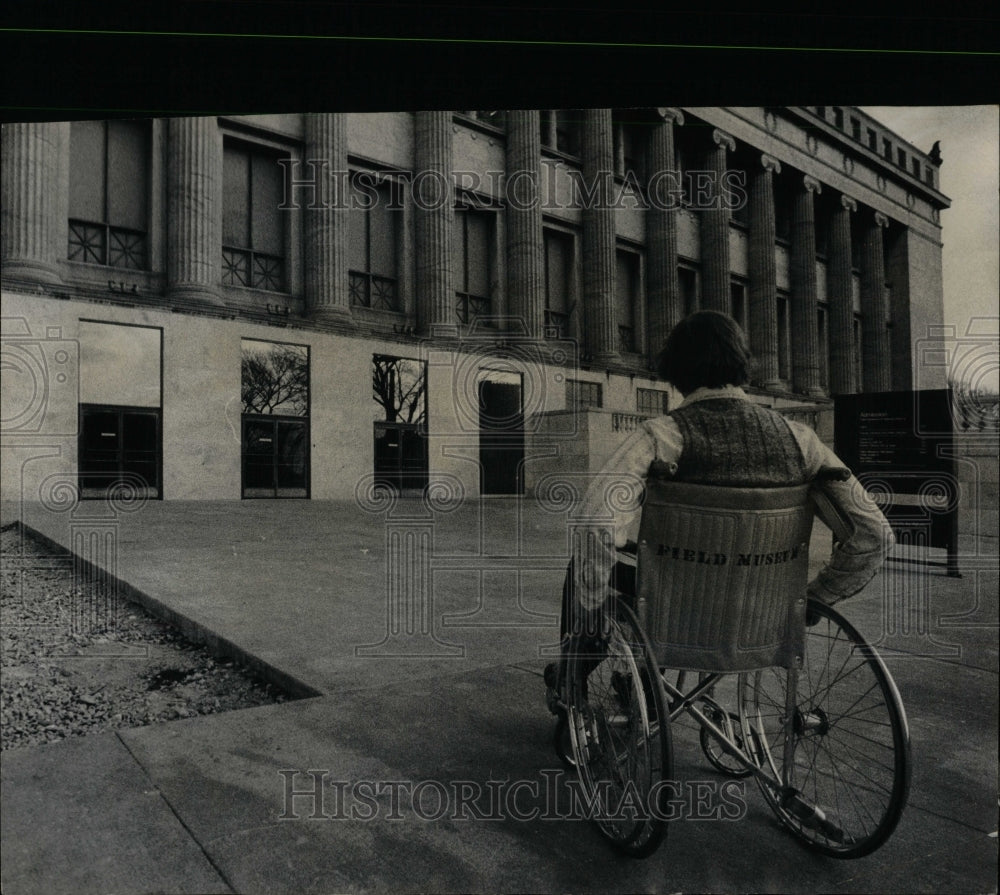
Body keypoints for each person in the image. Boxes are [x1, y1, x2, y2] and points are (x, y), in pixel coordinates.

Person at [545, 310, 895, 703]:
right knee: (665, 579)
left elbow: (595, 524)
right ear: (742, 366)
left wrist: (591, 611)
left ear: (675, 372)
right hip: (762, 613)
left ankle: (575, 673)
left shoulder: (661, 437)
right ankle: (640, 680)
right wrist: (813, 601)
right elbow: (874, 534)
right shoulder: (802, 441)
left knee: (594, 568)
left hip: (671, 609)